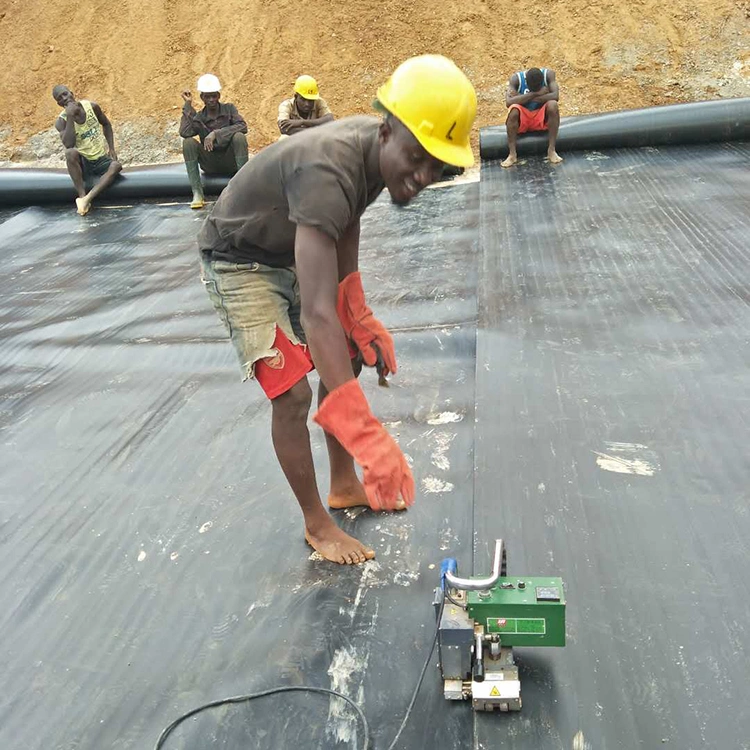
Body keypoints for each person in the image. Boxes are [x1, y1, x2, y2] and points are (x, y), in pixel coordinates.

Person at [198, 55, 476, 565]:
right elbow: (318, 313)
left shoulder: (373, 155)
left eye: (437, 167)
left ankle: (344, 484)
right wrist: (366, 433)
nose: (422, 176)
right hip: (240, 261)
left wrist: (359, 311)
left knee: (346, 353)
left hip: (291, 248)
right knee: (292, 391)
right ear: (388, 128)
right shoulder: (329, 165)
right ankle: (317, 524)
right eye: (417, 157)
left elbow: (344, 225)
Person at [180, 74, 249, 209]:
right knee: (188, 142)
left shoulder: (229, 109)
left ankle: (244, 190)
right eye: (207, 96)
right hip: (210, 163)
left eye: (214, 96)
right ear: (202, 98)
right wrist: (187, 104)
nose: (211, 100)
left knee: (239, 137)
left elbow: (243, 126)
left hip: (231, 161)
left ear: (219, 96)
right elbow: (185, 132)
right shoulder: (199, 117)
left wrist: (216, 134)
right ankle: (197, 193)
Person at [52, 85, 122, 216]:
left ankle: (86, 200)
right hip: (84, 164)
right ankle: (81, 195)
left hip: (100, 159)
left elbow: (106, 124)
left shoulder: (92, 107)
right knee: (69, 153)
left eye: (65, 94)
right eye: (60, 98)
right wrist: (70, 117)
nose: (64, 99)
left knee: (116, 166)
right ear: (59, 104)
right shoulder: (61, 121)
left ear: (71, 93)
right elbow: (69, 144)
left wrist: (111, 148)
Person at [501, 67, 562, 167]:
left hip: (541, 117)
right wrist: (536, 94)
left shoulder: (549, 75)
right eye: (533, 89)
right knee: (514, 110)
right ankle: (512, 154)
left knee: (553, 105)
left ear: (542, 81)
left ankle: (552, 150)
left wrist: (521, 97)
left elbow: (555, 96)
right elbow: (509, 102)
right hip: (524, 117)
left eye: (538, 88)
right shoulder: (516, 79)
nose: (536, 89)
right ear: (526, 82)